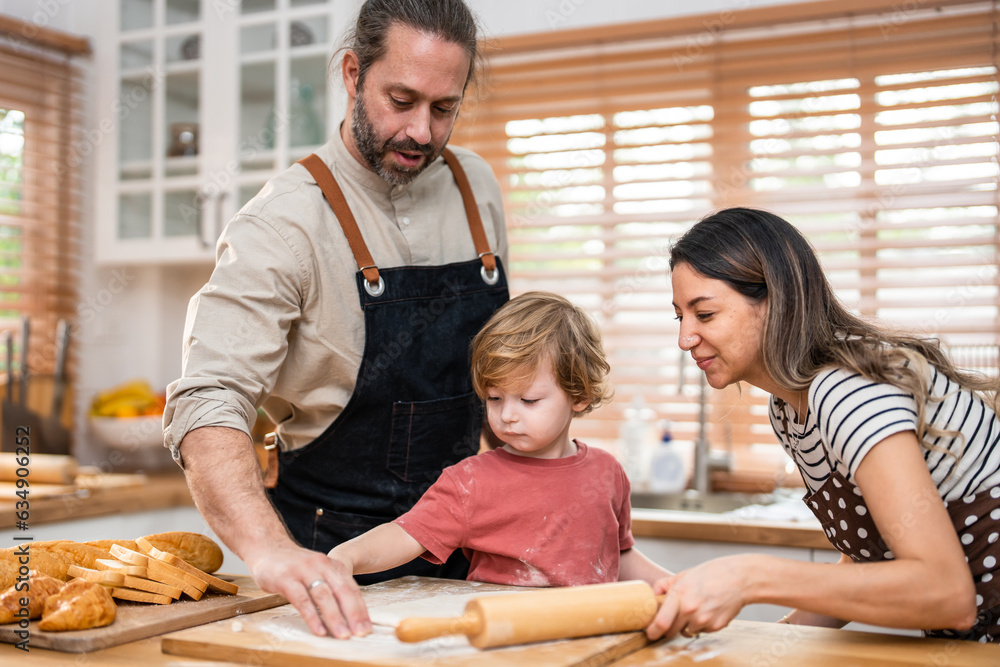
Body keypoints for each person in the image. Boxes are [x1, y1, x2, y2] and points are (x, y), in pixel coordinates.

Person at [161, 0, 509, 640]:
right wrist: (271, 553)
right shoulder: (283, 223)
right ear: (353, 74)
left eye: (444, 108)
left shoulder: (477, 187)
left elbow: (501, 376)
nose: (421, 132)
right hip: (331, 566)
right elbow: (208, 400)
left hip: (471, 554)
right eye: (400, 100)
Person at [646, 207, 1000, 643]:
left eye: (705, 314)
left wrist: (751, 576)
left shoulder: (845, 390)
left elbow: (946, 593)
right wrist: (772, 641)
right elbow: (872, 560)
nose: (685, 338)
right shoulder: (788, 409)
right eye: (680, 316)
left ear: (774, 300)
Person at [329, 292, 672, 593]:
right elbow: (405, 535)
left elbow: (619, 555)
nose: (507, 415)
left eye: (528, 400)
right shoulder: (470, 482)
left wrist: (672, 584)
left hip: (593, 637)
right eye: (494, 398)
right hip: (504, 641)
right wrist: (347, 556)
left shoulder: (608, 472)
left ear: (579, 395)